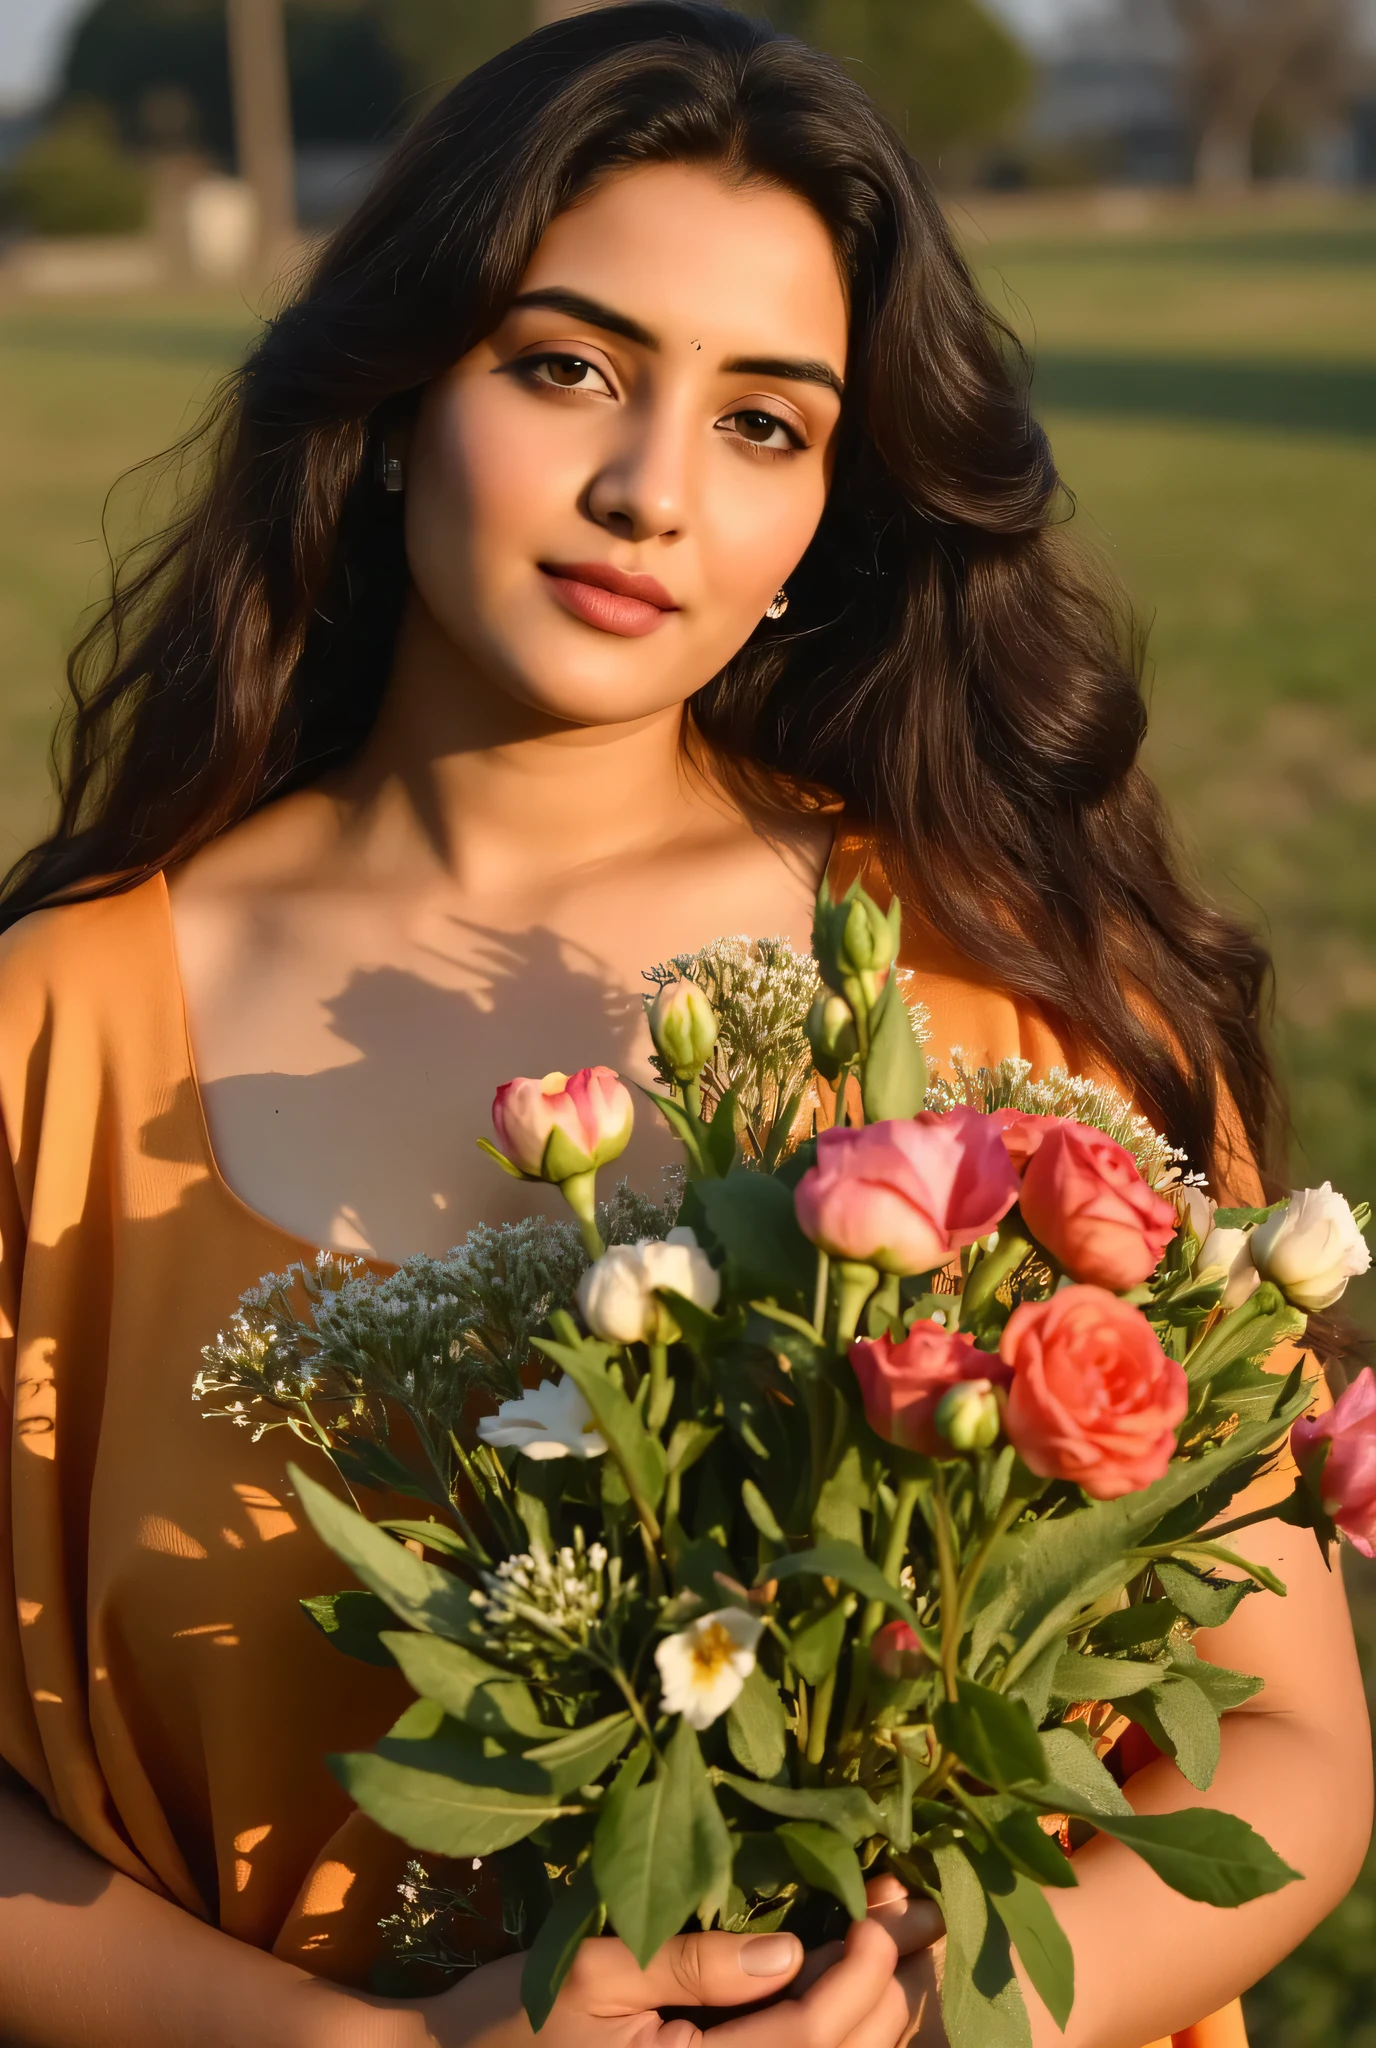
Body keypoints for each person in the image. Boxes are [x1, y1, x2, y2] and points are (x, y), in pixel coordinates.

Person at [0, 7, 1368, 2046]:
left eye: (764, 422)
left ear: (839, 501)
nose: (649, 490)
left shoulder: (1001, 988)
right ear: (391, 394)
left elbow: (1288, 1740)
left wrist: (940, 2011)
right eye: (567, 367)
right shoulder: (55, 1027)